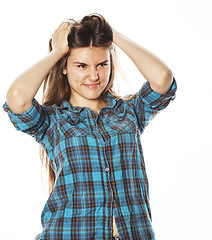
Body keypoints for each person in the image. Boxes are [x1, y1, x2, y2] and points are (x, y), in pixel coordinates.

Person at [3, 13, 176, 240]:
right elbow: (17, 98)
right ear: (64, 67)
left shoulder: (129, 112)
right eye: (81, 65)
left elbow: (163, 79)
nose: (93, 75)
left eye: (102, 64)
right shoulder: (53, 121)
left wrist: (112, 36)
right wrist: (58, 52)